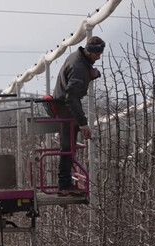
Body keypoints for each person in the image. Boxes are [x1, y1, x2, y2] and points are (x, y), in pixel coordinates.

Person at [52, 36, 105, 196]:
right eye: (97, 54)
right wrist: (82, 123)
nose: (99, 57)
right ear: (89, 51)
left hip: (64, 107)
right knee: (67, 148)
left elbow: (78, 79)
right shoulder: (79, 68)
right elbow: (71, 97)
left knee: (69, 148)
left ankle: (66, 183)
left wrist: (92, 74)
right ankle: (64, 185)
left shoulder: (78, 57)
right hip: (66, 109)